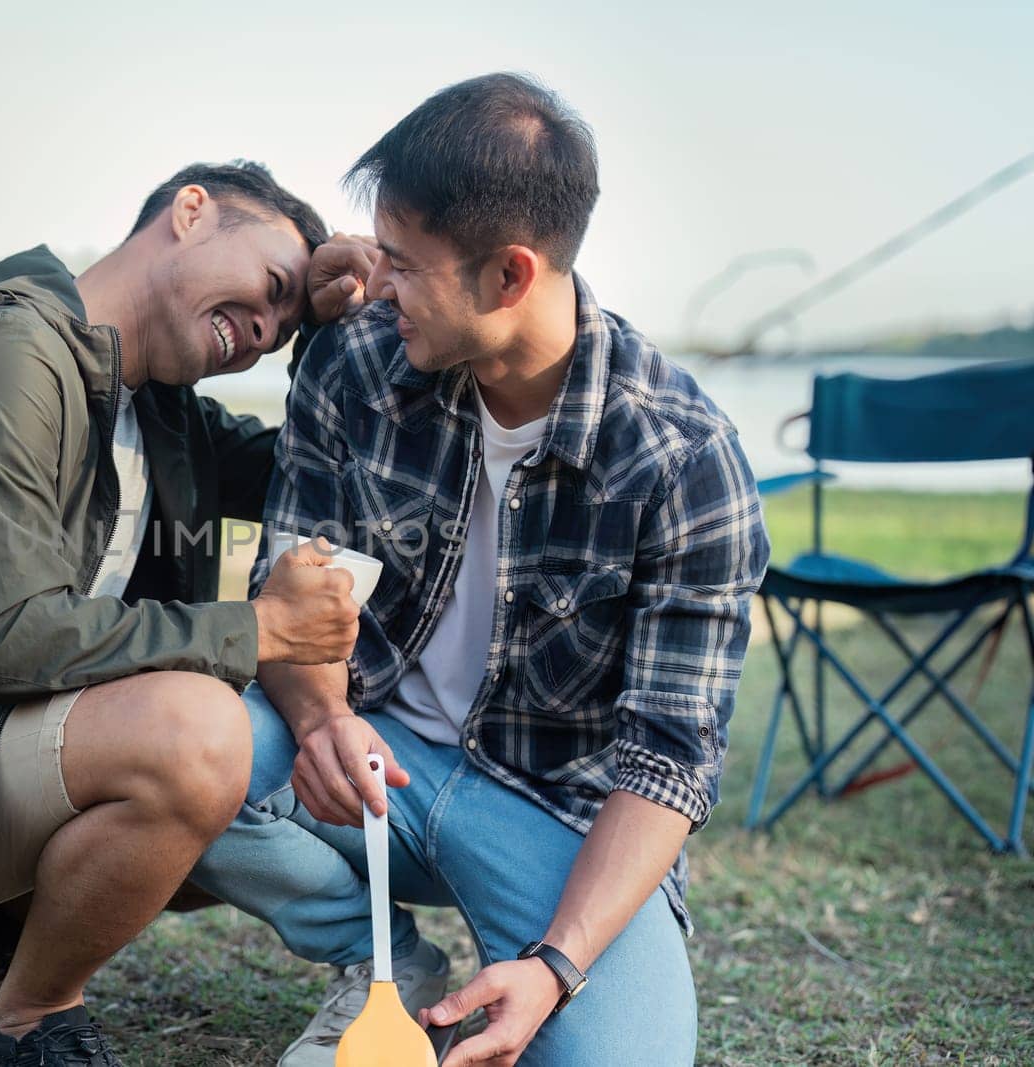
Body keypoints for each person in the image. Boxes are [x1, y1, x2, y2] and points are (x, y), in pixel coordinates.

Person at [191, 75, 771, 1066]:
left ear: (508, 275)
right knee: (167, 735)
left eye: (404, 263)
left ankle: (523, 966)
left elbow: (667, 767)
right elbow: (290, 600)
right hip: (370, 765)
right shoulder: (357, 361)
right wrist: (323, 716)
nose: (375, 283)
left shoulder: (683, 462)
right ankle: (380, 960)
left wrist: (555, 960)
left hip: (555, 821)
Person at [0, 162, 370, 1067]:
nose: (261, 332)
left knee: (276, 762)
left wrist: (332, 328)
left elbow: (328, 460)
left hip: (38, 750)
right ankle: (31, 1021)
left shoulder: (156, 408)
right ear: (191, 212)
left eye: (281, 329)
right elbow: (7, 642)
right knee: (203, 735)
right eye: (273, 288)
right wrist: (264, 632)